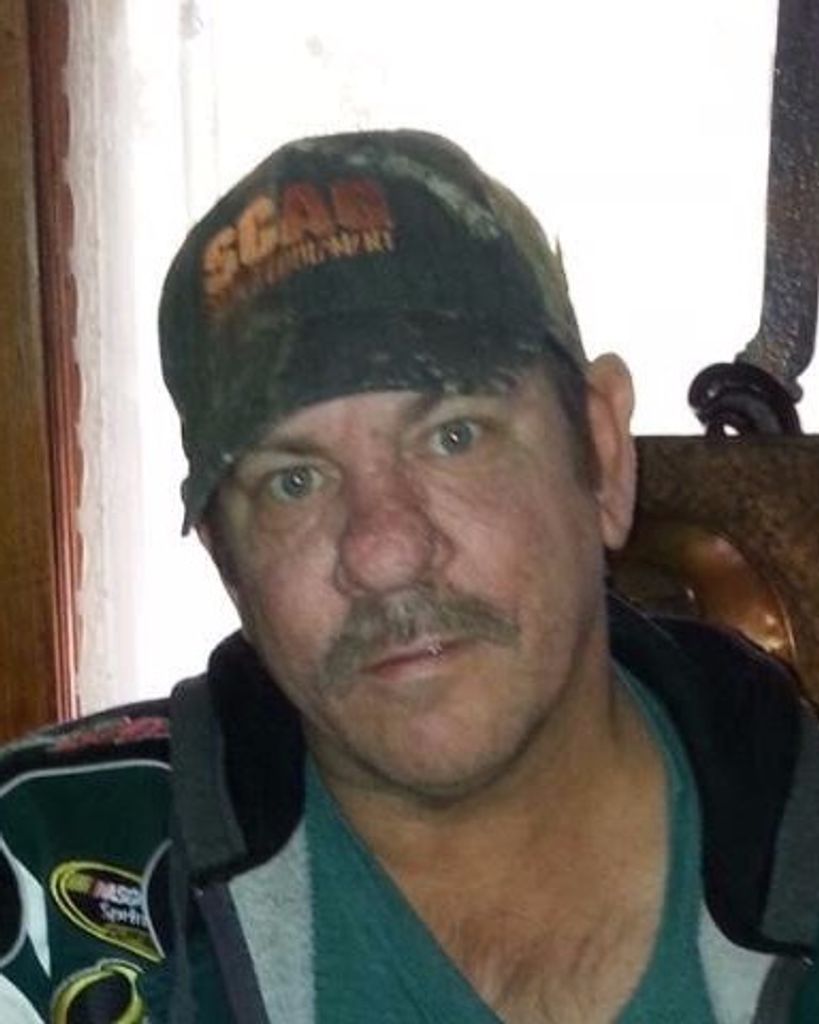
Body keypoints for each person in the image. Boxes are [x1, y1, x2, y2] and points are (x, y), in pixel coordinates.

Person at [0, 129, 817, 1024]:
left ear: (603, 455)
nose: (384, 552)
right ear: (226, 561)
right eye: (293, 481)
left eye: (453, 437)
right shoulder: (38, 892)